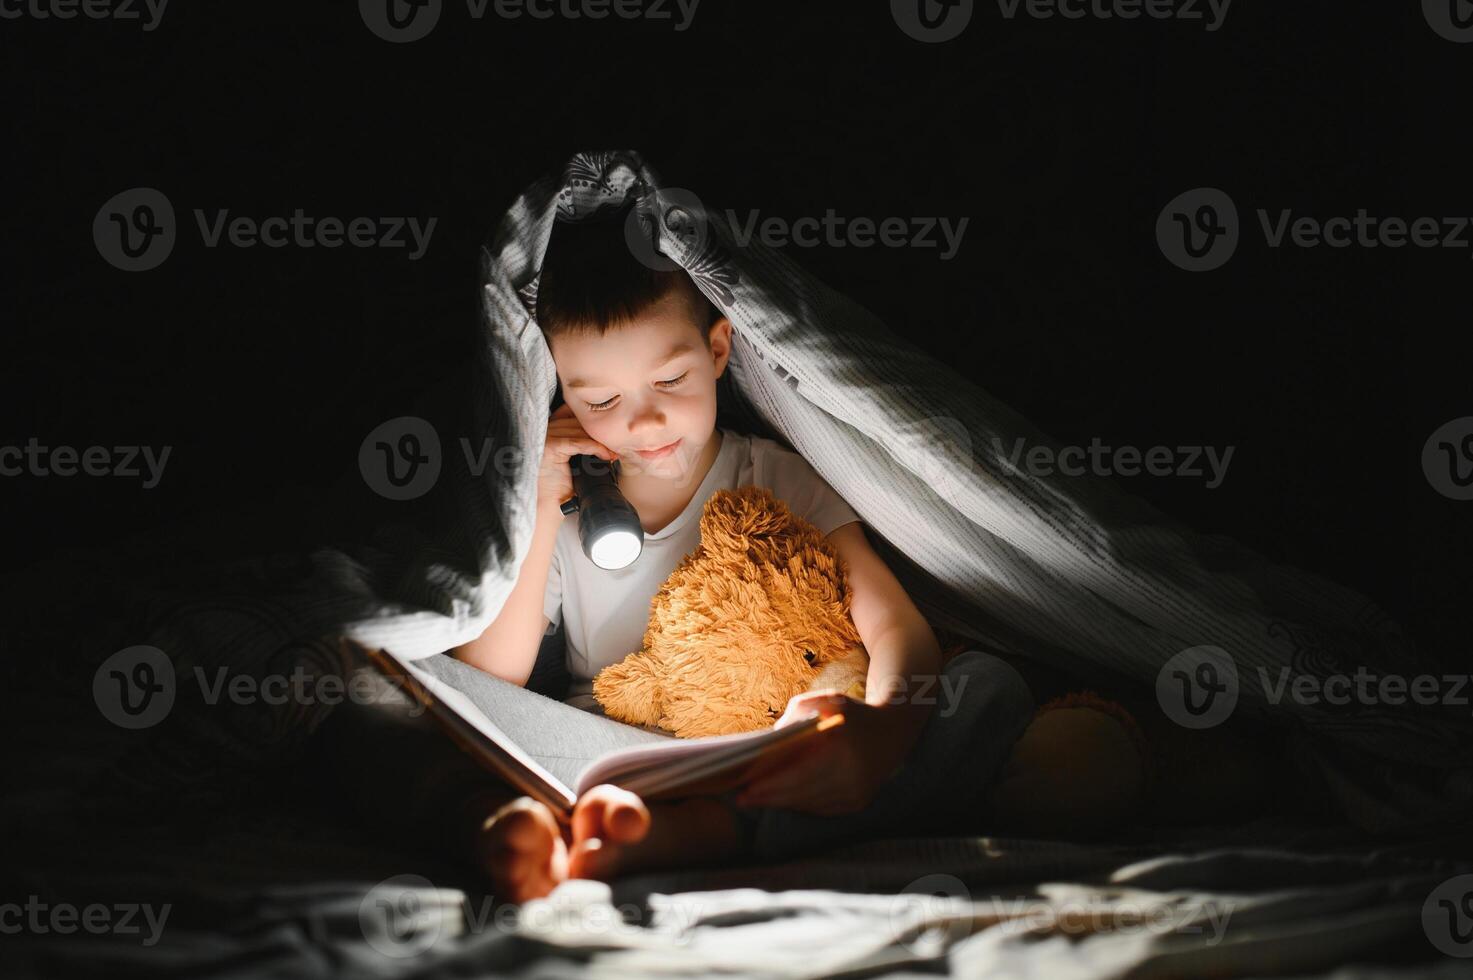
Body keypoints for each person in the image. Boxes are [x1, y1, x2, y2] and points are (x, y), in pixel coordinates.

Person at [439, 208, 1039, 902]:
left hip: (771, 752)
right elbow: (488, 679)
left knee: (987, 690)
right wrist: (543, 499)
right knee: (412, 703)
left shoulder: (772, 476)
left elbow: (896, 627)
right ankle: (616, 827)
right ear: (560, 398)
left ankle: (706, 832)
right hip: (617, 751)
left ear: (717, 352)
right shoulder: (566, 509)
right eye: (601, 398)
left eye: (670, 382)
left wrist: (877, 741)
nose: (644, 421)